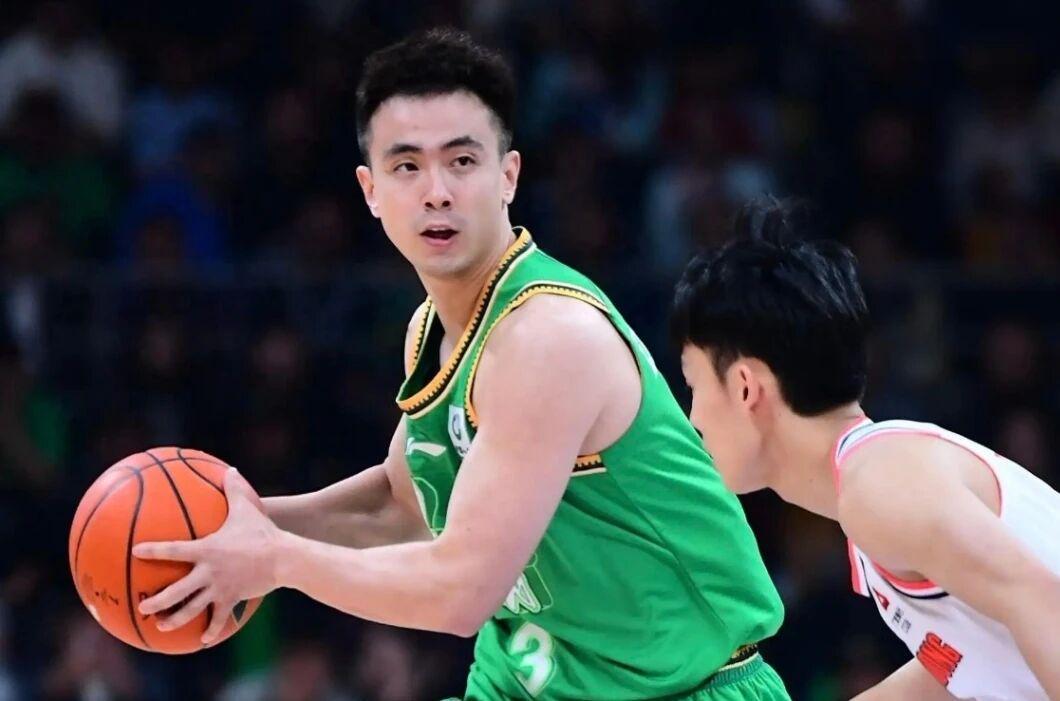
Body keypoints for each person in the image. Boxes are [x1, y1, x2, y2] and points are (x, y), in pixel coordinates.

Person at [133, 28, 791, 700]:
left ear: (508, 176)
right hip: (529, 683)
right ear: (370, 190)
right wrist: (239, 524)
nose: (437, 192)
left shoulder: (547, 338)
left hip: (684, 687)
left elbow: (460, 591)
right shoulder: (433, 328)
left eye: (462, 161)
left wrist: (275, 560)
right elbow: (402, 506)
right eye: (407, 167)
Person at [671, 198, 1060, 701]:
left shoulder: (879, 484)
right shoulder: (874, 484)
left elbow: (1042, 602)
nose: (693, 418)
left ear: (746, 387)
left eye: (694, 386)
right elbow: (966, 660)